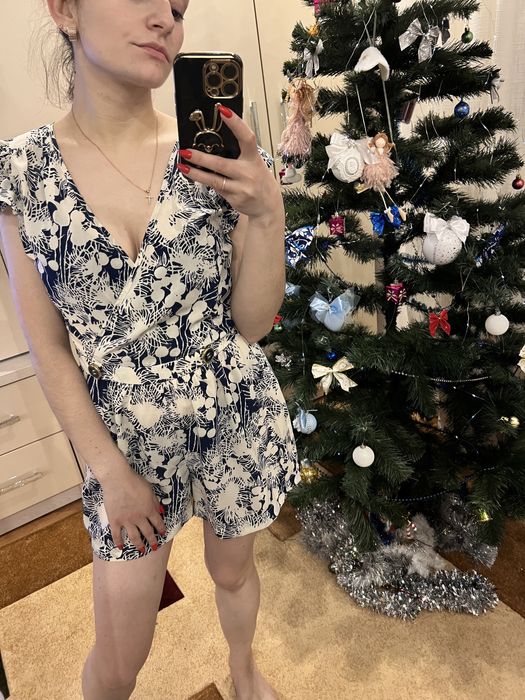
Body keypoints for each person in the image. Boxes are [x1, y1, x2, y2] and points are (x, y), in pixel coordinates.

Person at [0, 1, 302, 698]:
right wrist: (109, 474)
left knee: (232, 572)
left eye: (177, 7)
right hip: (125, 447)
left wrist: (267, 214)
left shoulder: (213, 155)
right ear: (66, 10)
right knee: (118, 658)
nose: (165, 18)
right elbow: (50, 350)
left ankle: (243, 669)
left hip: (233, 414)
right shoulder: (22, 173)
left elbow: (251, 324)